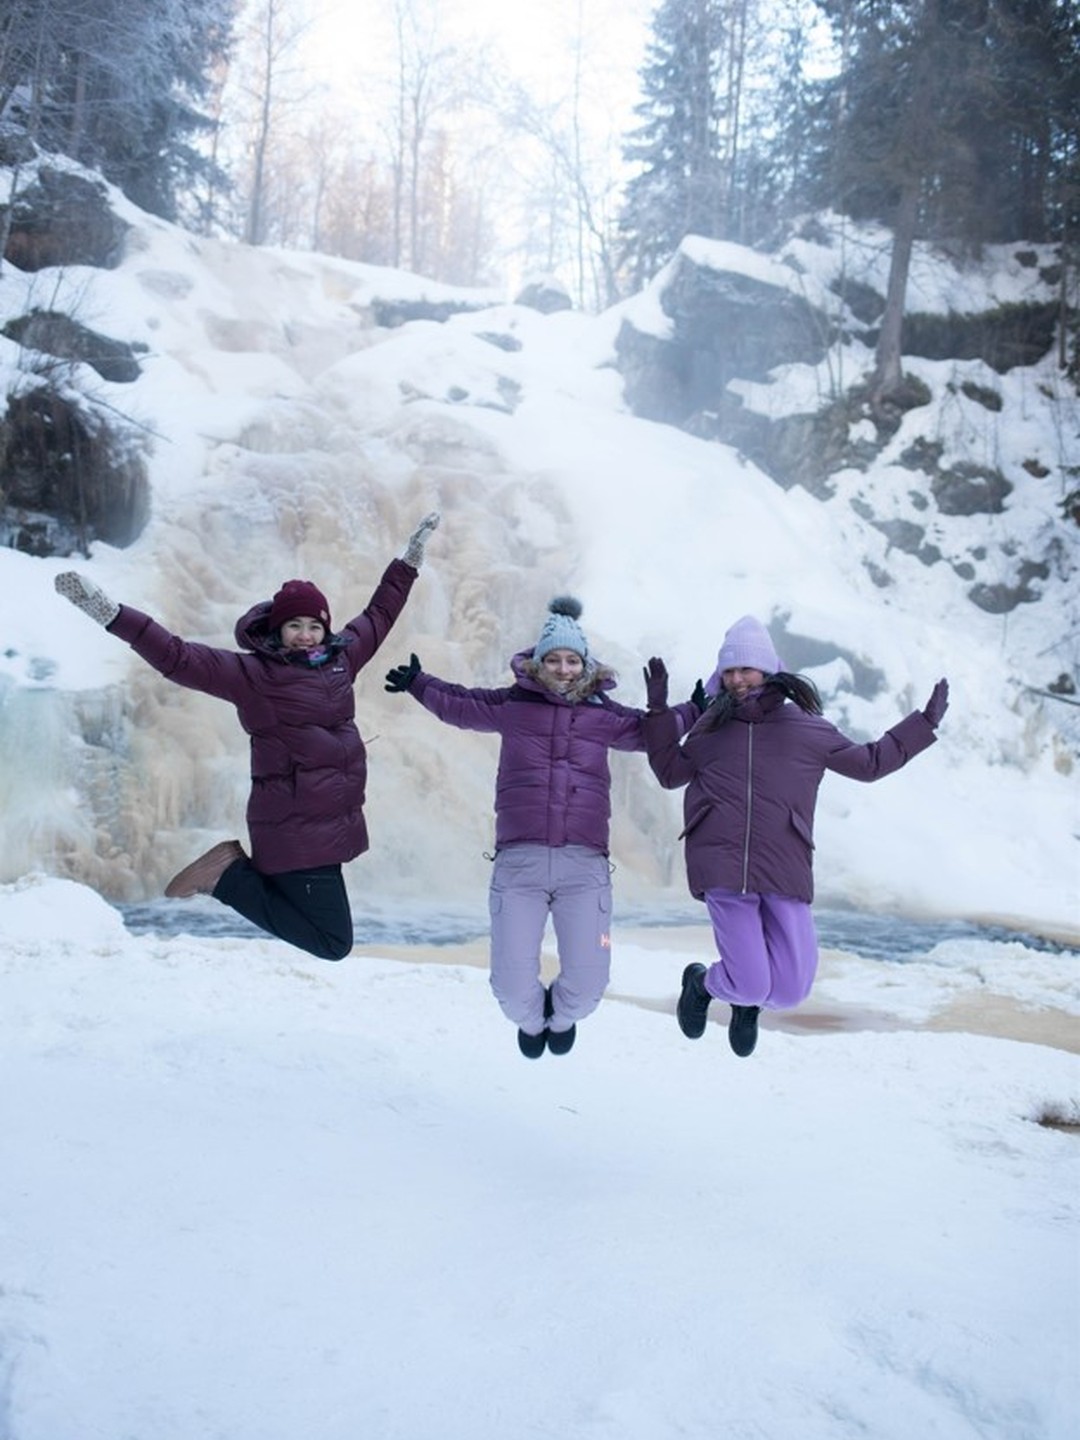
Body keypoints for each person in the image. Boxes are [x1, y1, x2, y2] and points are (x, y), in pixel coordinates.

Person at [54, 512, 440, 960]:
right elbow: (177, 656)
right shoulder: (252, 673)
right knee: (333, 943)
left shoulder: (341, 660)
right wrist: (109, 613)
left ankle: (229, 877)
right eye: (295, 625)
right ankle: (226, 877)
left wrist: (408, 561)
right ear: (277, 630)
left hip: (326, 826)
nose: (305, 634)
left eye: (314, 625)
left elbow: (379, 614)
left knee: (329, 937)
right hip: (295, 829)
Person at [384, 596, 699, 1059]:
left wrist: (693, 708)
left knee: (590, 985)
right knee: (511, 990)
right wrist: (419, 683)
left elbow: (656, 734)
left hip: (585, 869)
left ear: (586, 664)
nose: (564, 668)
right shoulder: (513, 706)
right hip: (519, 866)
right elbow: (461, 705)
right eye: (554, 659)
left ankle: (564, 1016)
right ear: (538, 663)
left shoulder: (605, 716)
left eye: (572, 660)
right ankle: (532, 1023)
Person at [643, 614, 949, 1058]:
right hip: (723, 870)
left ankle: (746, 1004)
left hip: (784, 866)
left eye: (745, 669)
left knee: (789, 992)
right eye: (728, 671)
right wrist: (658, 714)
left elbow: (870, 763)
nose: (737, 679)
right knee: (748, 981)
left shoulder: (807, 729)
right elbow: (670, 773)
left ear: (769, 671)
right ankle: (703, 984)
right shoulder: (710, 729)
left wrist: (924, 722)